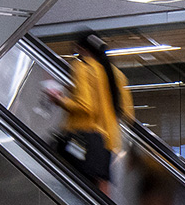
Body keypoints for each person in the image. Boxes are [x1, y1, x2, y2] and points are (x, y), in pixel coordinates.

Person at [50, 31, 133, 195]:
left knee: (56, 171)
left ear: (81, 48)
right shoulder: (116, 74)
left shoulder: (82, 67)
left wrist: (60, 100)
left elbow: (85, 107)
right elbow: (127, 113)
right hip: (108, 140)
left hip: (83, 136)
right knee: (100, 187)